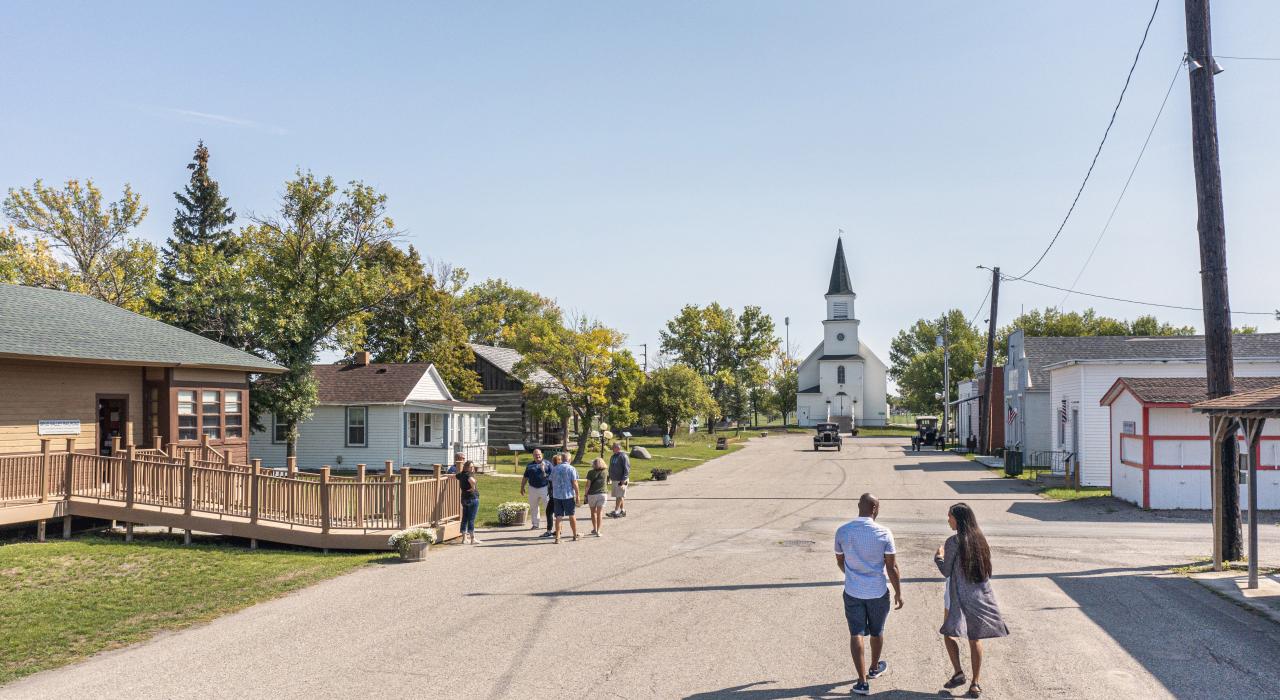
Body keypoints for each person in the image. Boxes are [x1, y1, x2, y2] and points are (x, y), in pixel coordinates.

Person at [936, 503, 1008, 698]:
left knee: (949, 632)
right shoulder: (980, 540)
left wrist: (938, 557)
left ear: (957, 519)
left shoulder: (953, 541)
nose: (948, 520)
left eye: (949, 516)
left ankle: (959, 673)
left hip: (956, 595)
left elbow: (946, 571)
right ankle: (975, 683)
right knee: (974, 638)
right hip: (978, 595)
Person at [834, 493, 903, 696]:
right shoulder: (884, 533)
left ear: (859, 506)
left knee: (856, 633)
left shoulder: (843, 531)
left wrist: (853, 576)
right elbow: (892, 567)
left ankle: (862, 682)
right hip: (877, 592)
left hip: (853, 592)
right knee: (877, 631)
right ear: (874, 509)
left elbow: (840, 560)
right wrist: (898, 592)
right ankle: (874, 668)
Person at [549, 453, 579, 543]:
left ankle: (557, 537)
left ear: (561, 459)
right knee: (571, 515)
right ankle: (574, 535)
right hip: (568, 495)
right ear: (570, 460)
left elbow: (551, 480)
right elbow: (574, 483)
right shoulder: (571, 468)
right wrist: (578, 495)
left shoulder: (554, 469)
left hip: (557, 496)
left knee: (558, 517)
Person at [520, 449, 552, 531]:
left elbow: (553, 475)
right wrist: (522, 487)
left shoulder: (548, 464)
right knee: (534, 507)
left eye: (539, 454)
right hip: (533, 488)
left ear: (542, 455)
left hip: (545, 488)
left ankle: (549, 524)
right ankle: (535, 524)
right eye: (535, 455)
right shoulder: (530, 465)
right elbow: (525, 477)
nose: (538, 456)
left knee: (548, 507)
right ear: (533, 456)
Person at [583, 457, 608, 536]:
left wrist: (585, 495)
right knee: (599, 513)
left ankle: (595, 528)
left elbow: (588, 485)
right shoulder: (605, 472)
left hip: (592, 494)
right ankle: (599, 531)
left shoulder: (590, 472)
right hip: (602, 494)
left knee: (593, 513)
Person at [457, 460, 480, 544]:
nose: (472, 468)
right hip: (472, 499)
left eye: (473, 467)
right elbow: (473, 481)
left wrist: (446, 475)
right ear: (466, 467)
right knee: (471, 519)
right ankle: (472, 539)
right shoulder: (468, 475)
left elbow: (454, 476)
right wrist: (473, 488)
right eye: (470, 467)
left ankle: (464, 539)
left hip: (464, 499)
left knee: (464, 519)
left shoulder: (461, 474)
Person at [606, 442, 630, 518]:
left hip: (621, 480)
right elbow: (610, 467)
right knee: (619, 496)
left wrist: (623, 480)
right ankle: (623, 510)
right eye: (612, 447)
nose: (612, 449)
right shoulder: (613, 456)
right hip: (615, 479)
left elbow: (627, 469)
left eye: (613, 447)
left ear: (618, 448)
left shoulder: (623, 456)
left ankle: (616, 511)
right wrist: (609, 476)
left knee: (619, 496)